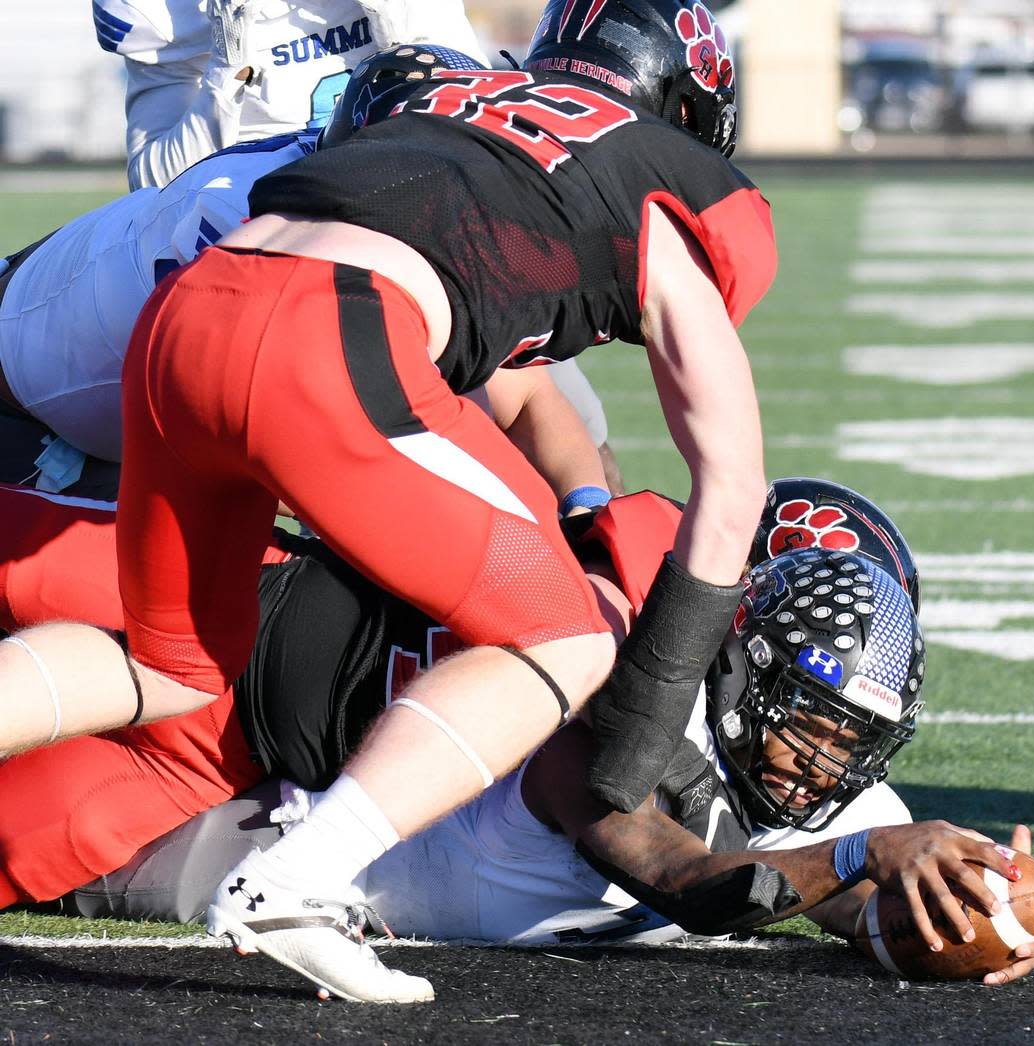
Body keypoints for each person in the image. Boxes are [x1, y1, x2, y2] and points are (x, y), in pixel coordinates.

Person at [0, 0, 774, 1002]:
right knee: (568, 633)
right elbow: (732, 485)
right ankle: (300, 877)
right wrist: (627, 754)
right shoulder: (685, 190)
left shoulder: (445, 87)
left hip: (186, 309)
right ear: (684, 114)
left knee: (170, 662)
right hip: (319, 331)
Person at [0, 484, 1034, 990]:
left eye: (853, 738)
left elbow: (869, 906)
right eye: (810, 719)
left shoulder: (849, 807)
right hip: (266, 805)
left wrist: (980, 917)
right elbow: (685, 875)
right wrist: (858, 856)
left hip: (223, 800)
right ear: (735, 664)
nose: (821, 763)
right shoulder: (632, 695)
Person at [0, 45, 607, 506]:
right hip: (27, 402)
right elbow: (340, 473)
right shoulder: (269, 232)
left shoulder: (354, 200)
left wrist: (590, 515)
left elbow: (532, 398)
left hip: (101, 369)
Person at [94, 0, 488, 189]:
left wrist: (394, 18)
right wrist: (230, 67)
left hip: (397, 190)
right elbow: (152, 185)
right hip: (251, 212)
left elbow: (480, 123)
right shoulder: (163, 13)